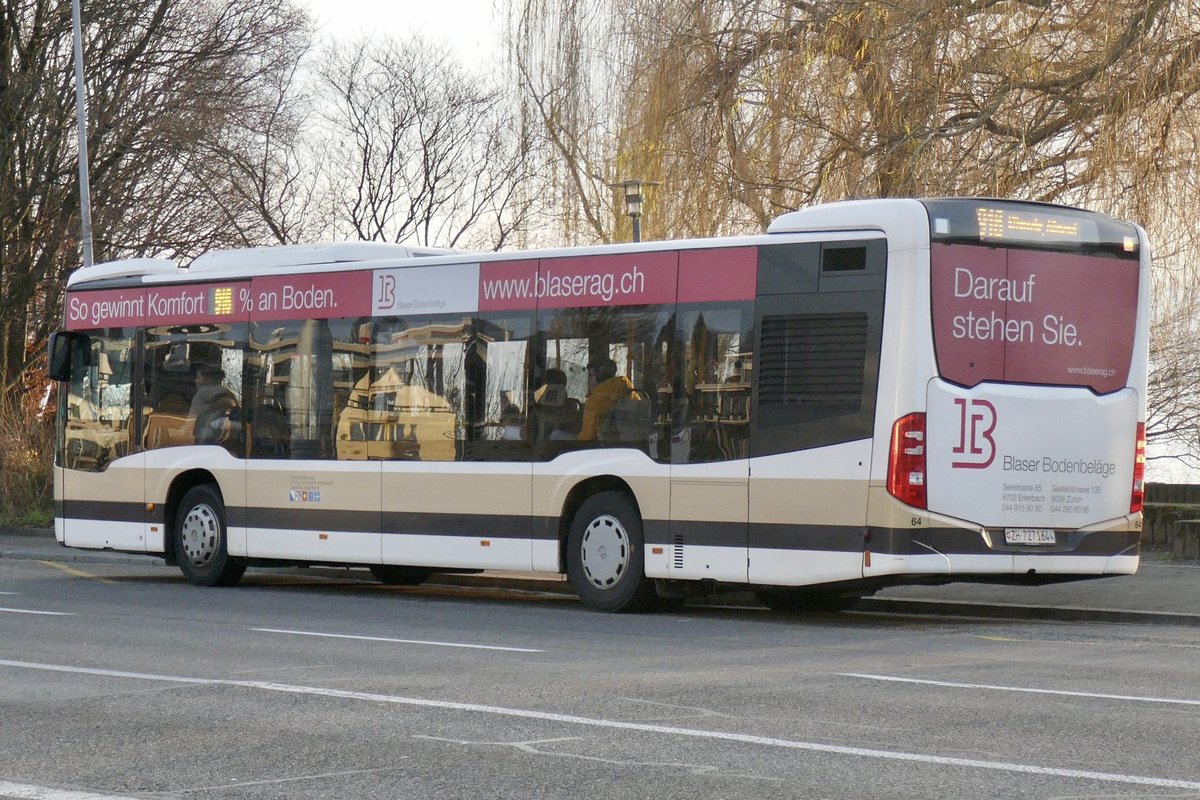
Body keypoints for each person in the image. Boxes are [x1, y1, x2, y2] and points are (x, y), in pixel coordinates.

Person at [578, 357, 640, 442]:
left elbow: (586, 437)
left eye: (591, 376)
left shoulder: (594, 402)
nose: (589, 380)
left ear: (599, 376)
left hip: (601, 448)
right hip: (630, 446)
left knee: (557, 434)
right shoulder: (631, 393)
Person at [187, 364, 239, 445]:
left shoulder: (202, 393)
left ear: (208, 380)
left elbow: (191, 419)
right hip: (219, 436)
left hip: (203, 434)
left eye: (199, 378)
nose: (196, 381)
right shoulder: (228, 393)